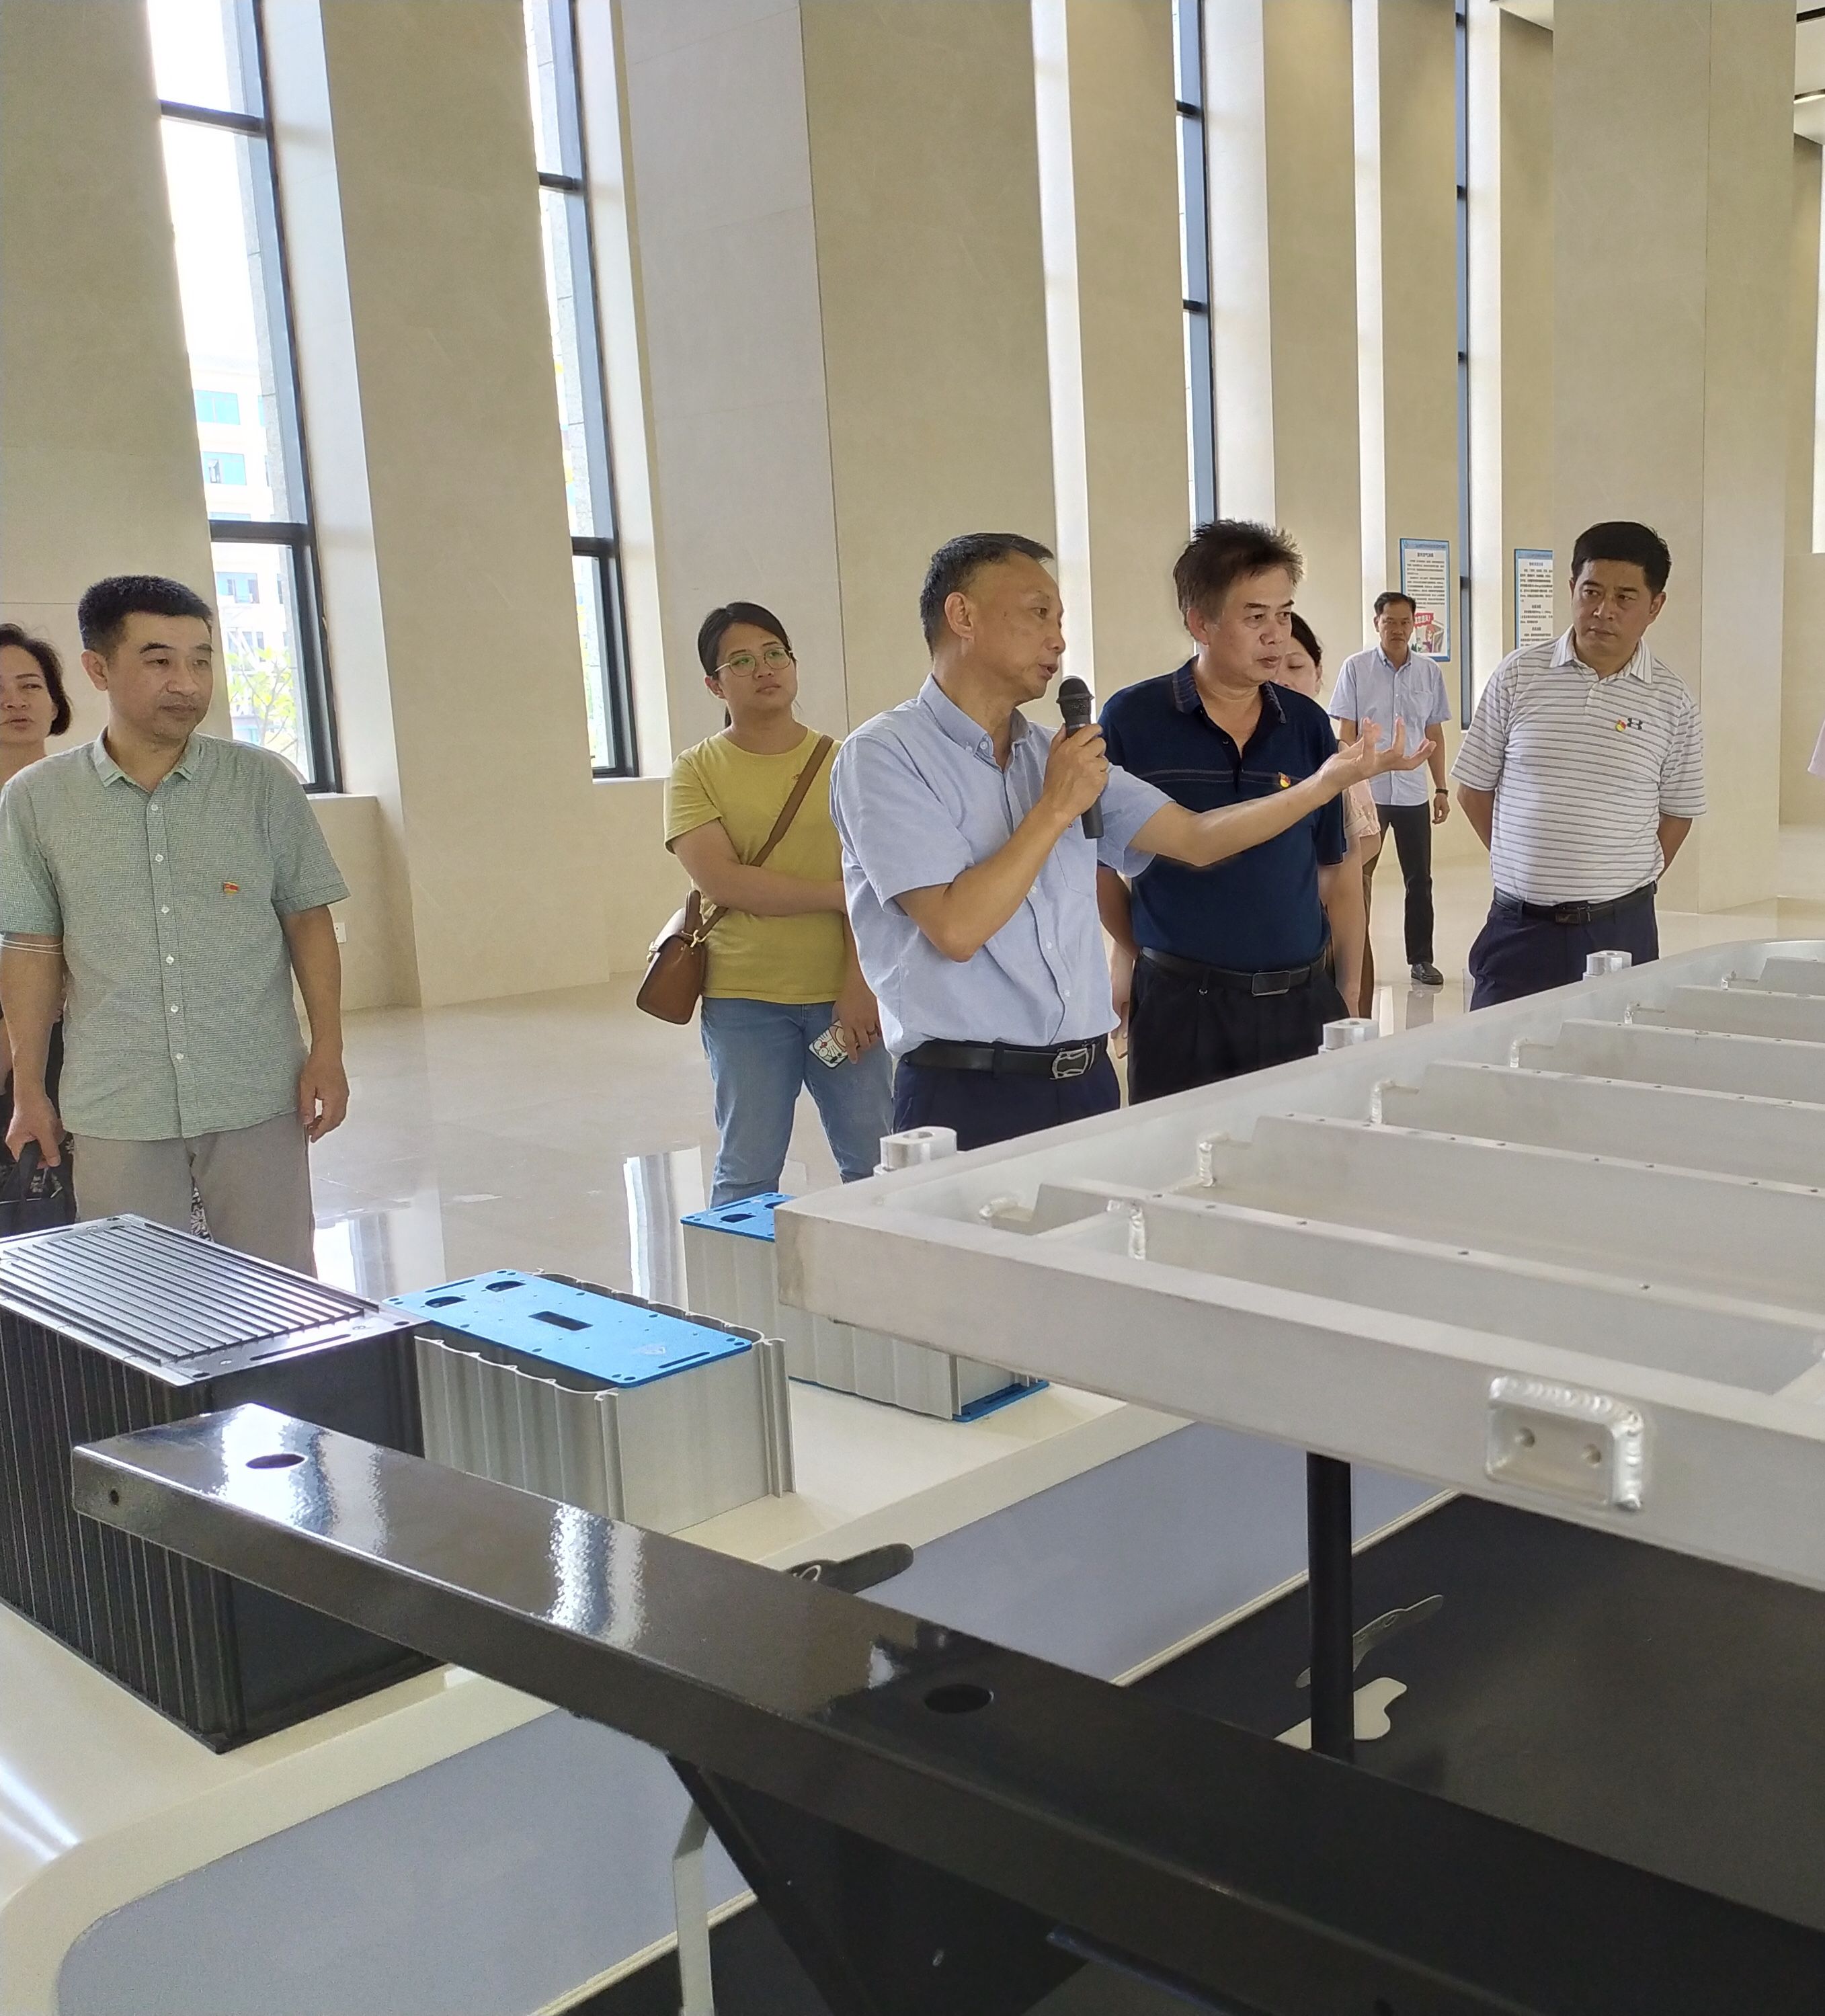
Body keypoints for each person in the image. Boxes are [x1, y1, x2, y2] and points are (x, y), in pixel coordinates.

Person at [831, 532, 1428, 1152]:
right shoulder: (885, 756)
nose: (1058, 640)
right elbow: (956, 927)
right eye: (1038, 614)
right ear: (962, 615)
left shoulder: (1051, 753)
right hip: (969, 1086)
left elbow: (1195, 838)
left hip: (1084, 1082)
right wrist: (1056, 807)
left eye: (1060, 620)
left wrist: (1324, 783)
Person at [0, 575, 349, 1273]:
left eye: (201, 660)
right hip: (117, 1100)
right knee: (136, 1303)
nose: (186, 683)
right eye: (159, 660)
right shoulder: (38, 799)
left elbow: (307, 920)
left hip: (254, 1088)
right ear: (98, 668)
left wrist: (328, 1050)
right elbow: (33, 948)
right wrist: (30, 1089)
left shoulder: (262, 783)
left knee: (281, 1291)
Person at [1096, 524, 1421, 1101]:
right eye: (1254, 618)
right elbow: (1097, 866)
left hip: (1299, 1001)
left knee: (1304, 1148)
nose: (1275, 635)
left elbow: (1334, 870)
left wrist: (1347, 992)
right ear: (1200, 623)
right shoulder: (1133, 720)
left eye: (1284, 614)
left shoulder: (1305, 724)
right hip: (1181, 1010)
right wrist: (1143, 954)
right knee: (1180, 1148)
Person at [667, 602, 892, 1205]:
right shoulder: (695, 770)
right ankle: (736, 1273)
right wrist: (836, 896)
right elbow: (723, 882)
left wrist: (860, 984)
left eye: (774, 654)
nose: (764, 669)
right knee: (747, 1171)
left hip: (843, 995)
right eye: (741, 661)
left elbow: (873, 881)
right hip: (744, 1000)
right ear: (715, 685)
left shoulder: (847, 761)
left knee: (875, 1165)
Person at [1452, 521, 1706, 1009]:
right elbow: (1473, 790)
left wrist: (1621, 878)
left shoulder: (1673, 701)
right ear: (1571, 588)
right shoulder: (1517, 675)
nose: (1603, 610)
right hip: (1518, 928)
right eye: (1591, 591)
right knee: (1497, 1052)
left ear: (1655, 606)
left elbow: (1678, 812)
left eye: (1625, 597)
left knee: (1611, 1050)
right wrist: (1524, 864)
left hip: (1618, 930)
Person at [1331, 591, 1455, 987]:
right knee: (1357, 877)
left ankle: (1421, 959)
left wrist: (1441, 788)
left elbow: (1434, 733)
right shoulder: (1356, 668)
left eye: (1405, 622)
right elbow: (1346, 732)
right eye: (1390, 622)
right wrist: (1349, 784)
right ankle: (1354, 957)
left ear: (1414, 625)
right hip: (1367, 792)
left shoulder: (1429, 673)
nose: (1398, 630)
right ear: (1377, 624)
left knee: (1419, 880)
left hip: (1412, 793)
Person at [1279, 613, 1381, 1020]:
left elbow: (1366, 842)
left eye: (1296, 667)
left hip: (1330, 930)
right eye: (1272, 667)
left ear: (1318, 673)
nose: (1284, 680)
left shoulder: (1336, 753)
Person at [0, 624, 75, 1135]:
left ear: (54, 704)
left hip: (75, 1024)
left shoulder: (88, 801)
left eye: (30, 686)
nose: (15, 702)